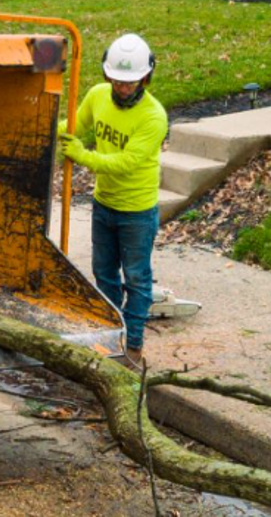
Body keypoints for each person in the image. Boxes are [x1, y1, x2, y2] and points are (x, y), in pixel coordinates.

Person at [58, 33, 168, 368]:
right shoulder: (97, 95)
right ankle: (109, 335)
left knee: (136, 279)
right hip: (104, 204)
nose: (122, 88)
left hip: (137, 211)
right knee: (103, 272)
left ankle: (132, 347)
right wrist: (45, 125)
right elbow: (74, 124)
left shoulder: (154, 117)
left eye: (129, 83)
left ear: (145, 78)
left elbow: (126, 163)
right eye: (117, 81)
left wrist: (83, 156)